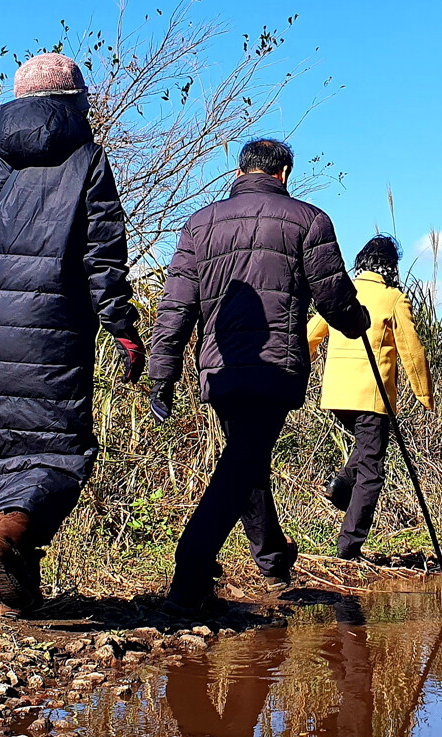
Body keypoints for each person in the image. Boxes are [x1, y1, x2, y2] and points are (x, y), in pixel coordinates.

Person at [0, 53, 143, 616]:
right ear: (75, 102)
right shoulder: (88, 160)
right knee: (58, 452)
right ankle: (7, 539)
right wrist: (123, 329)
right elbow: (104, 257)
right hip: (56, 334)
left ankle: (19, 593)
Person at [148, 138, 370, 613]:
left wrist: (161, 374)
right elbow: (333, 299)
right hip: (273, 366)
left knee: (245, 460)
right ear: (284, 173)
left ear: (240, 170)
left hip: (221, 368)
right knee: (244, 462)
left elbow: (175, 306)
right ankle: (189, 577)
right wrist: (358, 322)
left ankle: (271, 559)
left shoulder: (200, 223)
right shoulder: (309, 220)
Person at [309, 235, 434, 561]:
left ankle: (340, 486)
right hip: (371, 397)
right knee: (372, 473)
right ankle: (348, 549)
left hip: (337, 395)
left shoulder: (342, 293)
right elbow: (412, 351)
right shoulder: (393, 298)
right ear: (391, 267)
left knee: (367, 451)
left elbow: (311, 333)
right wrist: (424, 394)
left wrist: (290, 366)